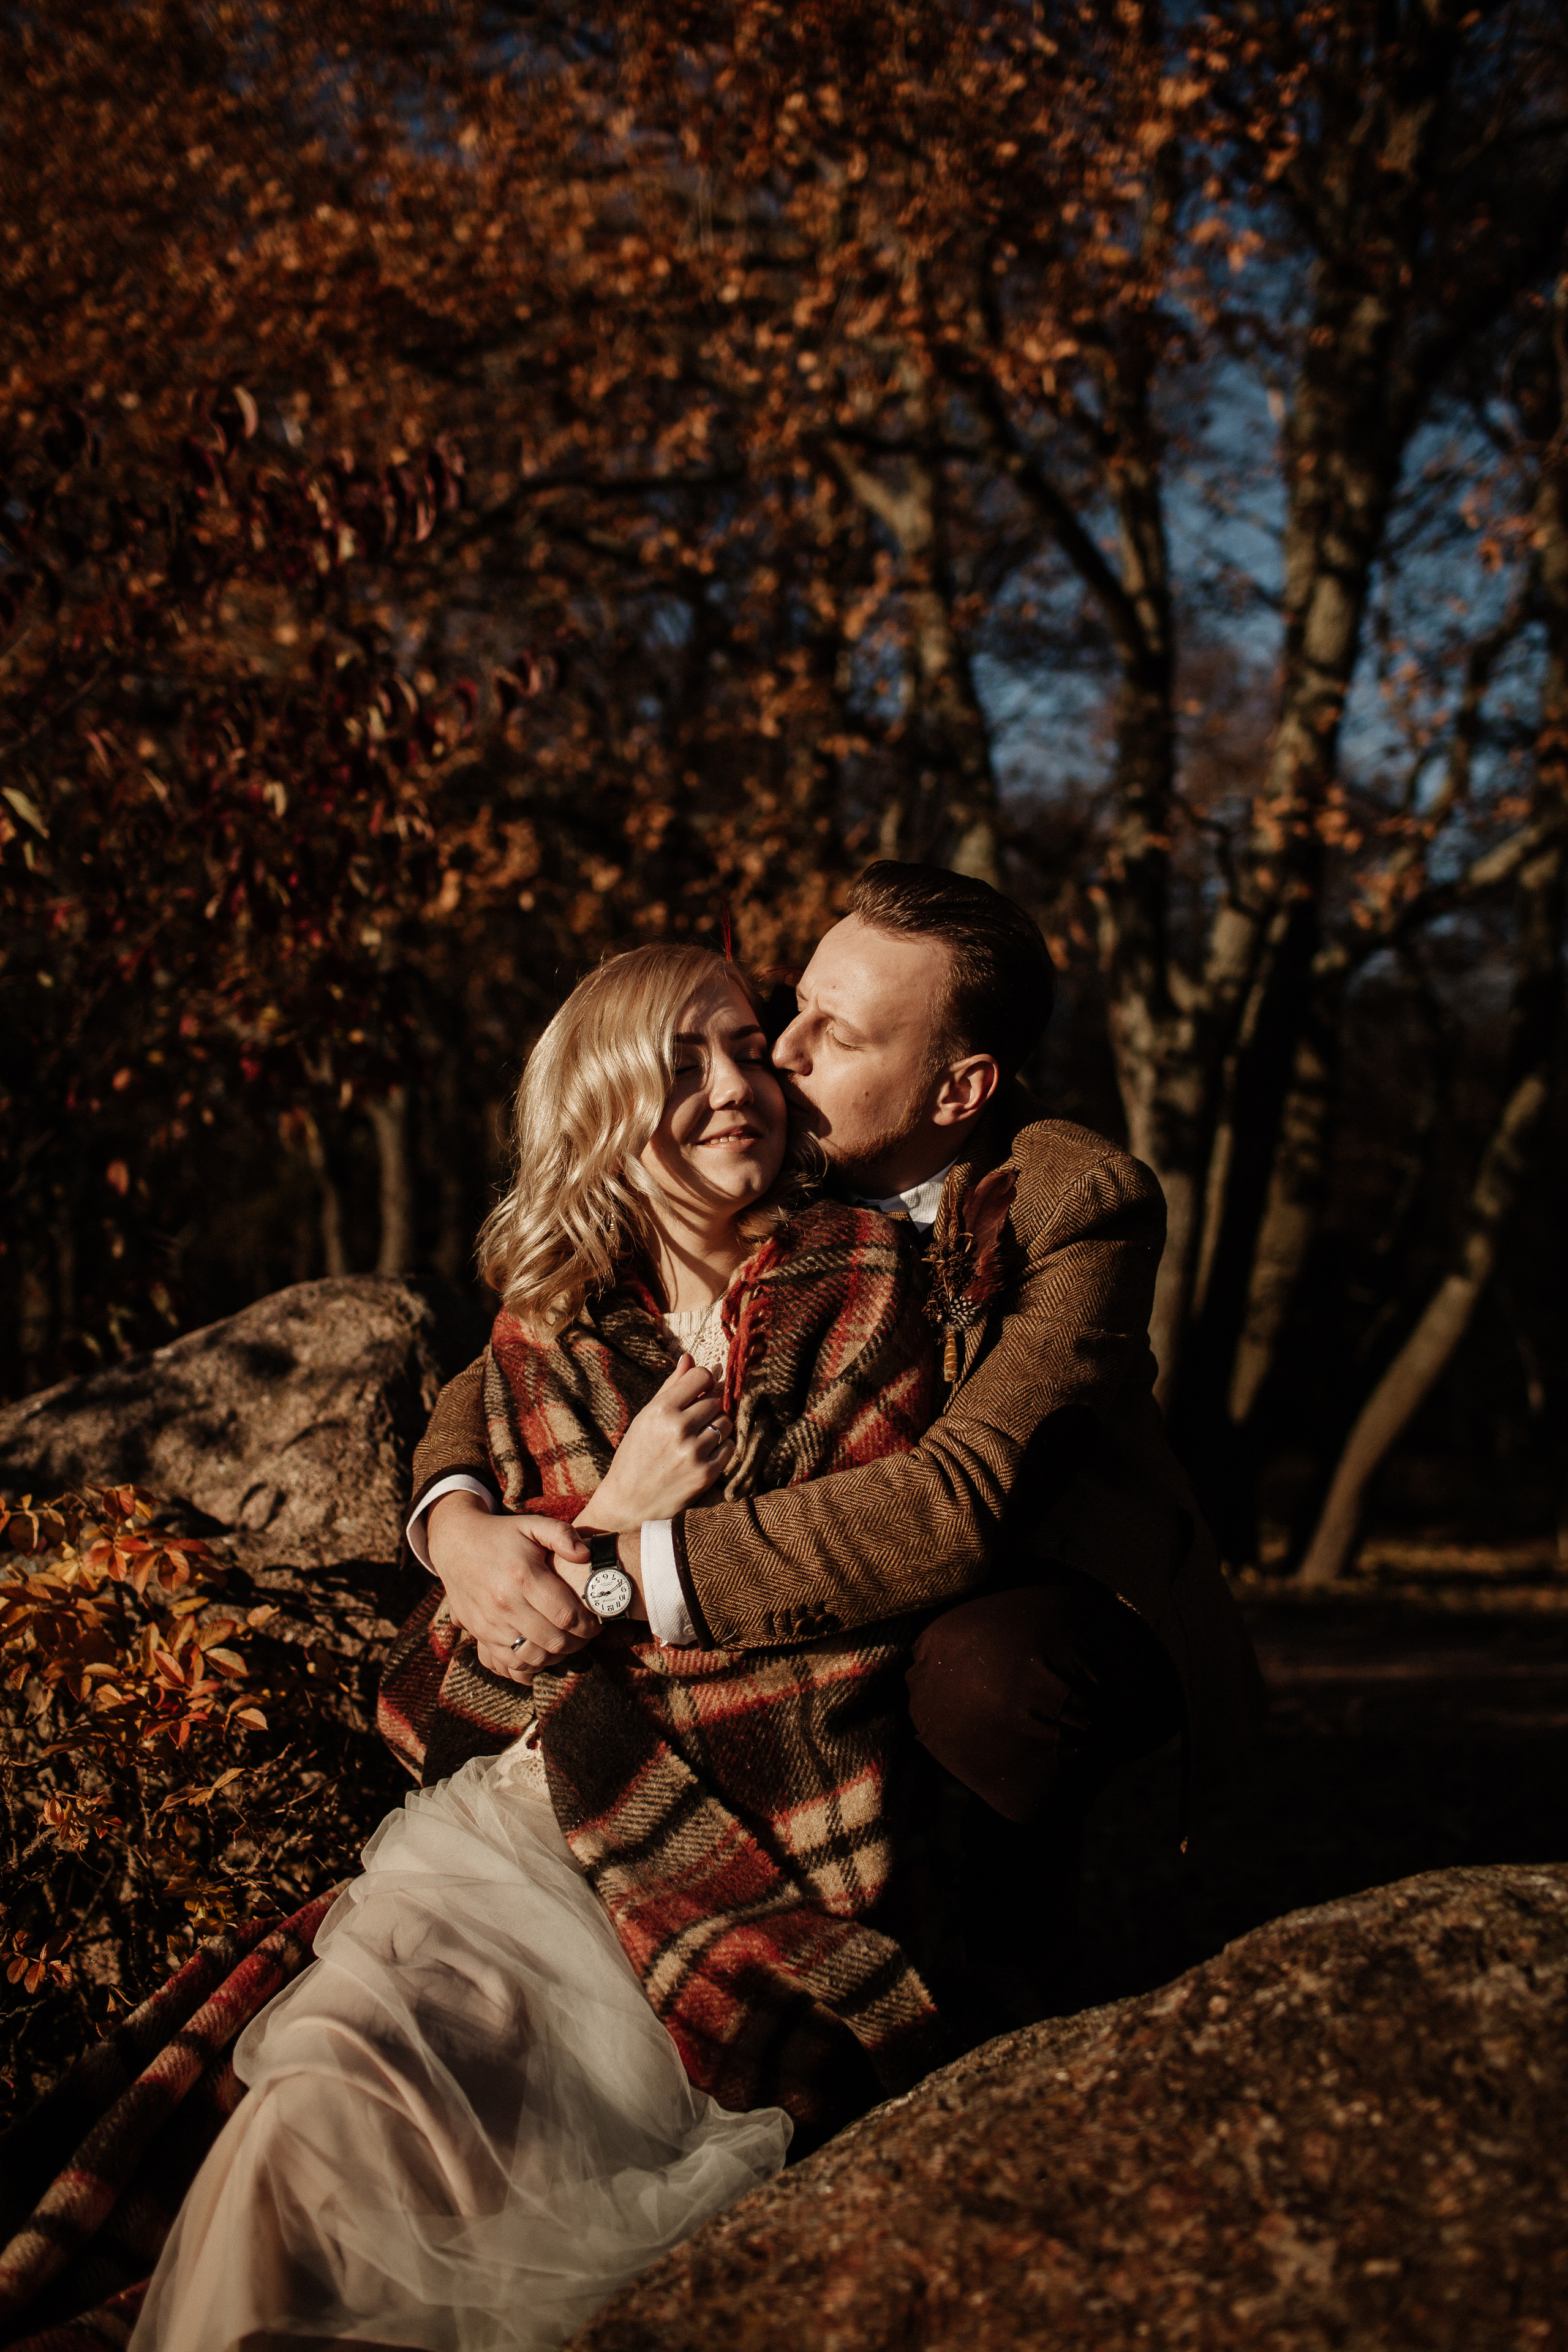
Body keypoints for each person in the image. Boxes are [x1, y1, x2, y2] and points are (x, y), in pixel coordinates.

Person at [130, 943, 943, 2352]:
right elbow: (452, 1705)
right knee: (309, 2116)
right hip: (514, 1829)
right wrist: (578, 1514)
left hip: (724, 1831)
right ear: (607, 1104)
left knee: (507, 2194)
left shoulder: (858, 1280)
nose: (733, 1085)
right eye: (682, 1060)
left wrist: (592, 1581)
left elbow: (821, 1624)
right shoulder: (540, 1342)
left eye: (748, 1048)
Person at [412, 862, 1264, 2026]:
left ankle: (987, 1989)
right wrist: (454, 1517)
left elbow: (965, 1500)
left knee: (987, 1687)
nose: (782, 1050)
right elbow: (504, 1350)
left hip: (1037, 1563)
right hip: (823, 1529)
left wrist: (615, 1567)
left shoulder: (1078, 1199)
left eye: (836, 1034)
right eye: (791, 1005)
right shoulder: (785, 1125)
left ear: (959, 1088)